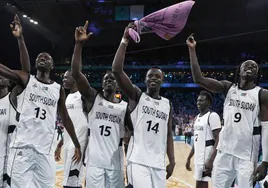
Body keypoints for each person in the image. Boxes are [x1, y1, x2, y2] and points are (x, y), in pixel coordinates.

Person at [0, 16, 81, 188]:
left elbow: (65, 118)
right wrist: (20, 38)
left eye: (47, 57)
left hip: (45, 151)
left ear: (52, 66)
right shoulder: (26, 79)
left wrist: (76, 144)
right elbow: (5, 70)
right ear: (35, 64)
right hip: (22, 149)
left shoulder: (57, 89)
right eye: (39, 57)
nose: (43, 58)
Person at [186, 34, 268, 188]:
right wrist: (192, 50)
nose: (250, 67)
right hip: (224, 152)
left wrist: (265, 161)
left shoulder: (261, 94)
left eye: (254, 67)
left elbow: (266, 128)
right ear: (240, 70)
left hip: (246, 156)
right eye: (247, 65)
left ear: (257, 75)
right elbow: (199, 79)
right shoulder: (228, 88)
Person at [112, 23, 175, 188]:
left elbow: (168, 134)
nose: (153, 78)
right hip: (138, 160)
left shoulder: (167, 104)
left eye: (157, 76)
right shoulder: (137, 96)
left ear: (162, 80)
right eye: (150, 76)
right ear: (146, 80)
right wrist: (125, 39)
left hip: (159, 163)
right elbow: (117, 70)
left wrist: (172, 160)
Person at [71, 21, 130, 188]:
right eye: (106, 79)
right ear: (102, 84)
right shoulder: (92, 98)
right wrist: (78, 45)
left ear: (118, 85)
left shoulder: (124, 107)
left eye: (112, 79)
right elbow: (76, 73)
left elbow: (130, 137)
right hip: (94, 163)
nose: (109, 80)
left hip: (116, 164)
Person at [54, 70, 88, 188]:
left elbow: (89, 123)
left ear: (74, 79)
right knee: (67, 181)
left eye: (66, 78)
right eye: (63, 78)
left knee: (74, 181)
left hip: (79, 145)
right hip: (69, 144)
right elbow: (69, 125)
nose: (63, 80)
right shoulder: (67, 97)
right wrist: (60, 144)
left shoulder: (83, 96)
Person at [186, 90, 221, 188]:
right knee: (199, 182)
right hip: (199, 155)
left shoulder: (212, 116)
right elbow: (196, 141)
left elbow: (219, 139)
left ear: (208, 102)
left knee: (203, 183)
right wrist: (189, 158)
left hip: (207, 155)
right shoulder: (197, 117)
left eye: (201, 101)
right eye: (197, 100)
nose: (198, 103)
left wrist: (210, 159)